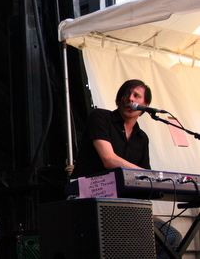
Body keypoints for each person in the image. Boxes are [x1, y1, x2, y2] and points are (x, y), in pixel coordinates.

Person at [70, 79, 181, 258]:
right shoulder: (100, 117)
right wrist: (148, 174)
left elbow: (145, 179)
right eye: (126, 94)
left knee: (171, 236)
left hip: (124, 205)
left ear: (145, 105)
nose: (129, 98)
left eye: (136, 95)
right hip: (92, 199)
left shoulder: (141, 138)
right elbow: (109, 159)